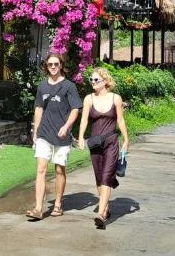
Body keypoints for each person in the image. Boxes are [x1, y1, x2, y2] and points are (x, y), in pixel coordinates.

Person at [27, 52, 81, 221]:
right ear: (46, 66)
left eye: (56, 64)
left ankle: (58, 204)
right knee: (41, 169)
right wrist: (35, 131)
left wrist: (67, 126)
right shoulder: (42, 86)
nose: (53, 67)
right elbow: (38, 108)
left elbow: (75, 109)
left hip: (62, 135)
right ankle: (38, 208)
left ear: (61, 65)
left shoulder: (69, 86)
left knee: (59, 169)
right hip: (44, 133)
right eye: (50, 64)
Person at [77, 67, 129, 229]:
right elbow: (84, 120)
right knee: (99, 177)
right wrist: (80, 137)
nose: (93, 82)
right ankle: (105, 208)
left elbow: (120, 120)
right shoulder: (88, 99)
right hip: (95, 142)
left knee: (107, 175)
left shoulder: (116, 98)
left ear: (105, 82)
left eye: (96, 80)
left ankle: (100, 213)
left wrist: (126, 139)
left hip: (111, 141)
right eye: (91, 80)